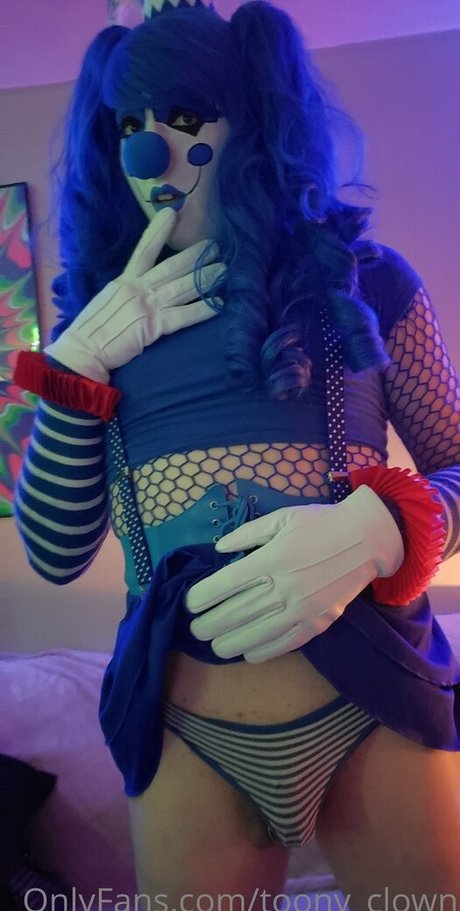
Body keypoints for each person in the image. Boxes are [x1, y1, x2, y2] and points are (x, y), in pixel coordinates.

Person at [13, 0, 460, 905]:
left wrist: (383, 526)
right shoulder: (101, 325)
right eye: (130, 125)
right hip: (184, 727)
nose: (150, 154)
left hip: (375, 705)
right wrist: (74, 368)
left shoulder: (368, 281)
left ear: (250, 122)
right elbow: (54, 552)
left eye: (184, 118)